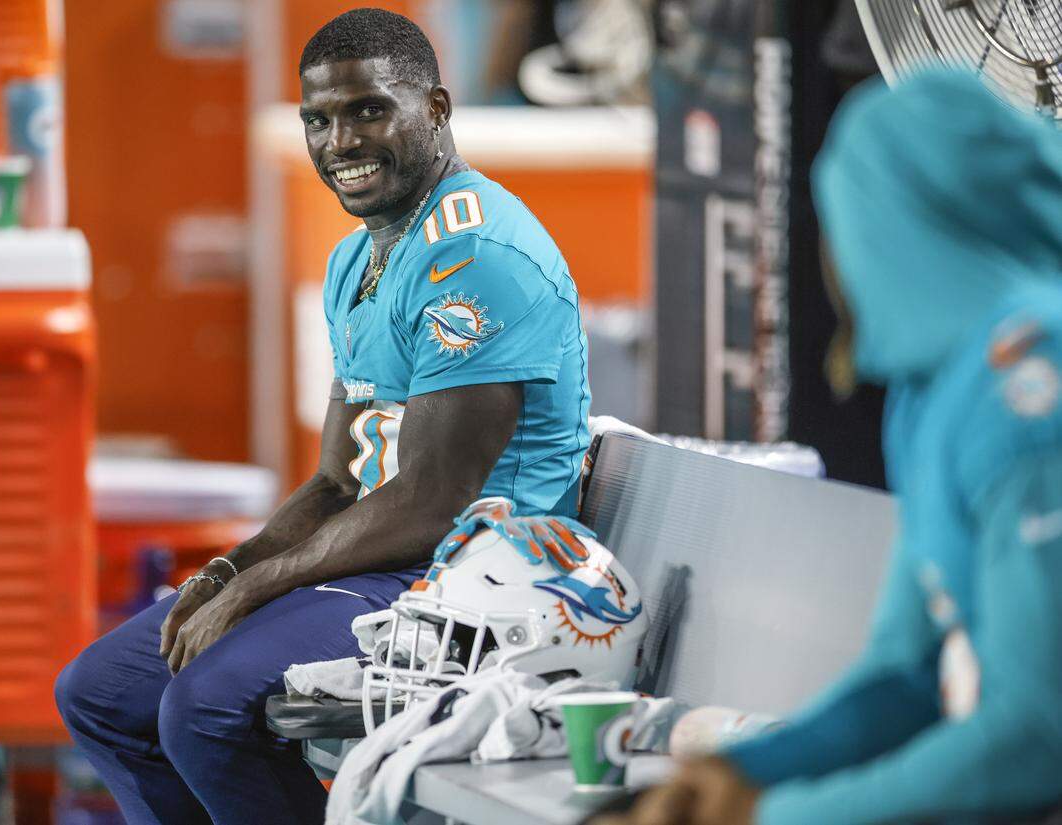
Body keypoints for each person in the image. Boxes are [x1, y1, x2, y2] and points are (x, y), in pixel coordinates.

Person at [54, 9, 591, 824]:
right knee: (101, 692)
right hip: (386, 561)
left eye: (368, 110)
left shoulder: (478, 254)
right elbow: (340, 481)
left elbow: (434, 501)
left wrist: (255, 589)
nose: (340, 141)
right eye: (320, 119)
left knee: (204, 706)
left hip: (476, 578)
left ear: (436, 110)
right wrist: (225, 573)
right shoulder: (360, 256)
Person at [596, 71, 1062, 825]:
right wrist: (736, 773)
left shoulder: (1031, 389)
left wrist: (771, 815)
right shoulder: (938, 391)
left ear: (888, 222)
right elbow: (903, 675)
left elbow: (1040, 735)